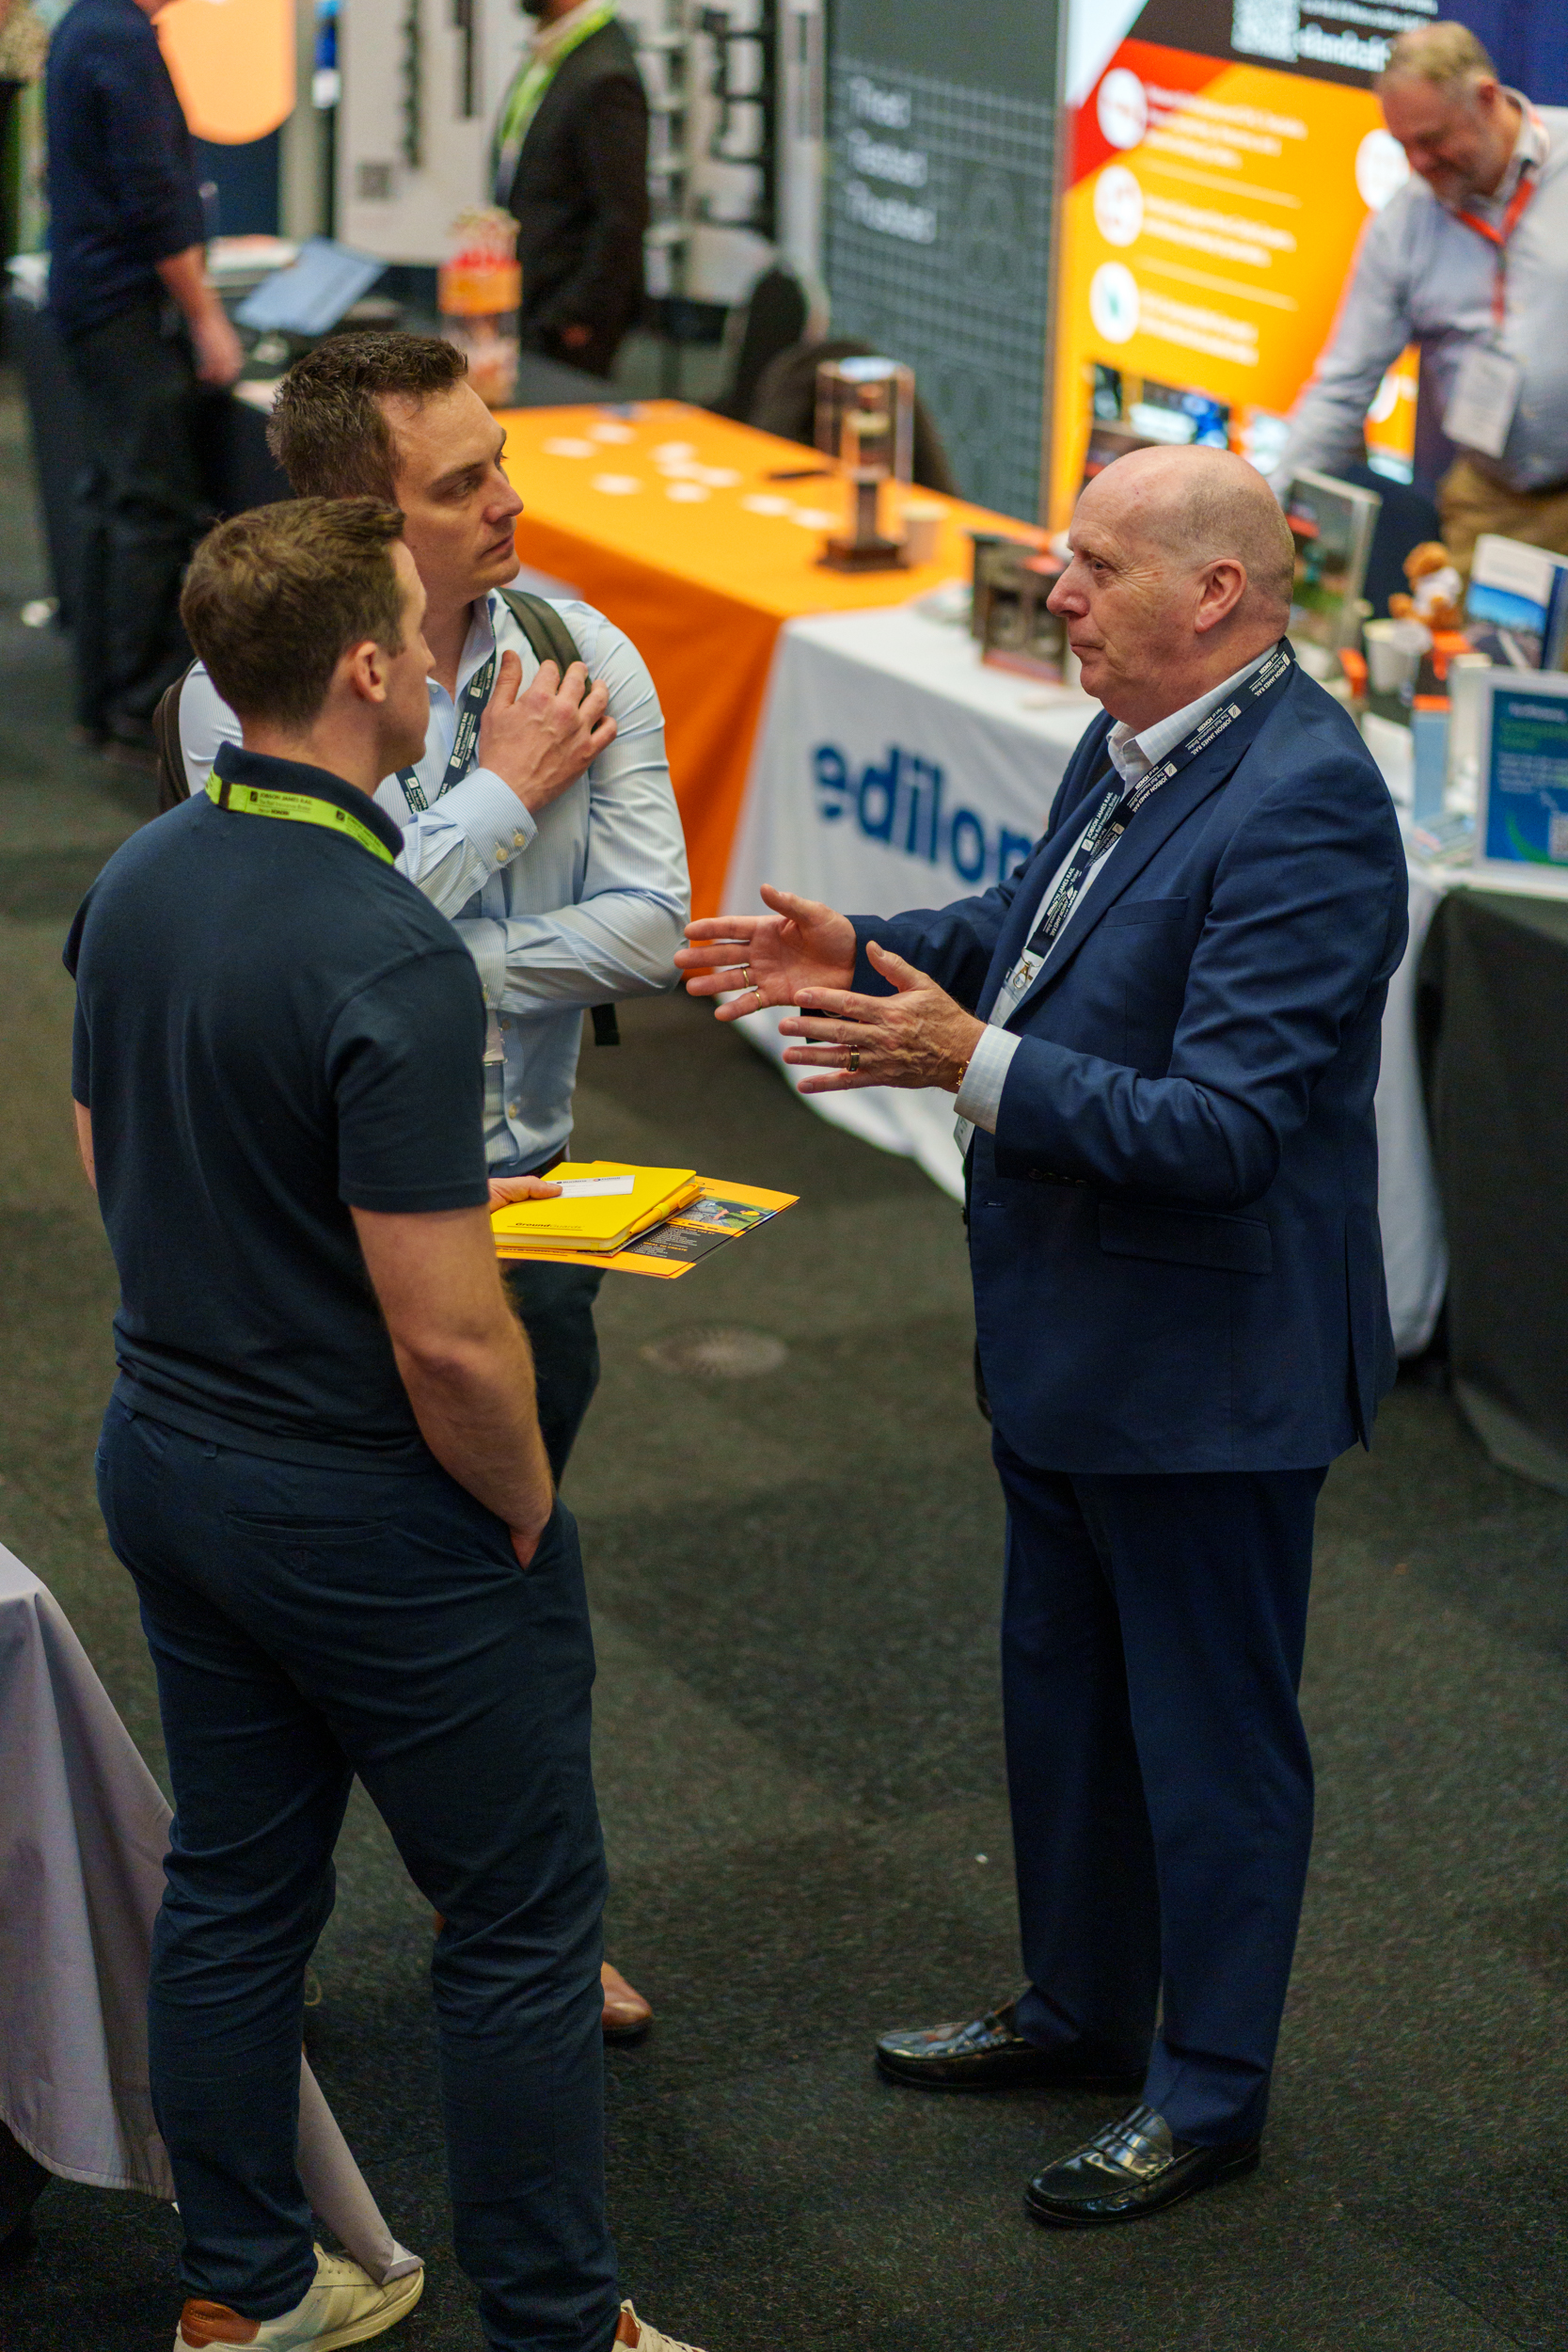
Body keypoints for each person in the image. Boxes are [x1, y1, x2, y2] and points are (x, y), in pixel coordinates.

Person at [678, 445, 1408, 2225]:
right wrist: (867, 950)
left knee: (1210, 1742)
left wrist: (969, 1064)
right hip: (1073, 1339)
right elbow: (1035, 939)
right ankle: (1083, 2012)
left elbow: (1223, 1130)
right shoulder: (1131, 734)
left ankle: (1206, 2094)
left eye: (1090, 566)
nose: (1054, 593)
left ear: (1215, 594)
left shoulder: (1308, 804)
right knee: (1066, 1702)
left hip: (1205, 1376)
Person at [69, 495, 706, 2352]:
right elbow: (449, 1342)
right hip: (363, 1503)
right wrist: (518, 1506)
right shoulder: (388, 946)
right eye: (421, 644)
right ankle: (559, 2323)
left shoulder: (139, 875)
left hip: (166, 1452)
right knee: (518, 1922)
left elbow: (119, 1166)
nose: (442, 669)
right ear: (363, 669)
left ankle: (245, 2291)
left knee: (233, 1883)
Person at [179, 330, 684, 2040]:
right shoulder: (240, 685)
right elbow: (276, 939)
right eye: (462, 483)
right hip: (316, 1227)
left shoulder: (582, 651)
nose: (508, 501)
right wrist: (494, 806)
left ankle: (532, 1916)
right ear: (358, 518)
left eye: (500, 458)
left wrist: (409, 963)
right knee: (308, 1609)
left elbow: (651, 930)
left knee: (517, 1596)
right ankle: (273, 1942)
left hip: (529, 1208)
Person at [1275, 22, 1568, 571]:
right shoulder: (1403, 224)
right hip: (1490, 501)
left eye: (1431, 140)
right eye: (1403, 145)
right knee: (1467, 629)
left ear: (1486, 98)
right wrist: (1268, 510)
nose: (1418, 163)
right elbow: (1342, 387)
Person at [44, 0, 243, 757]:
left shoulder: (85, 24)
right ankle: (141, 706)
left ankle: (103, 699)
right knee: (152, 508)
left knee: (114, 498)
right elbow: (155, 195)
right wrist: (205, 316)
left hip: (93, 304)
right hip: (127, 312)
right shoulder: (121, 39)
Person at [491, 0, 649, 379]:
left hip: (565, 314)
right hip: (532, 294)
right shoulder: (558, 51)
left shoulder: (605, 72)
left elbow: (623, 213)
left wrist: (578, 313)